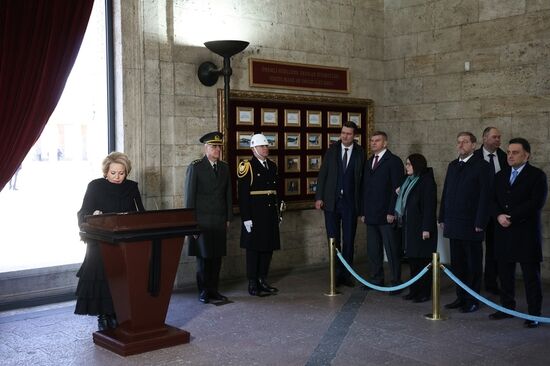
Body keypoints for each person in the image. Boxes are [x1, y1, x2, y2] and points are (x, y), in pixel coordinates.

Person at [75, 152, 145, 331]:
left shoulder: (131, 187)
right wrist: (94, 217)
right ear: (106, 171)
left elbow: (141, 214)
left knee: (120, 279)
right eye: (113, 173)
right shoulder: (95, 186)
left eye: (121, 173)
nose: (117, 177)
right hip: (100, 242)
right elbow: (83, 213)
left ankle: (117, 313)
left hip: (124, 243)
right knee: (102, 279)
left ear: (126, 172)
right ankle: (103, 315)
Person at [489, 138, 548, 328]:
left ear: (526, 155)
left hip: (525, 234)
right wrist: (498, 215)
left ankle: (534, 314)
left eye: (515, 152)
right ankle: (507, 307)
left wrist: (511, 217)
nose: (510, 155)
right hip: (503, 232)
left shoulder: (537, 175)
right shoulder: (500, 175)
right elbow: (492, 200)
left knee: (531, 277)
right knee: (505, 274)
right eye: (508, 152)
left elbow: (535, 203)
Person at [439, 132, 492, 313]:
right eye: (459, 141)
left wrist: (481, 221)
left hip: (472, 224)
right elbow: (446, 192)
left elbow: (486, 197)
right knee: (458, 264)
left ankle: (473, 300)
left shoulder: (482, 166)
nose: (461, 145)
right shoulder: (453, 165)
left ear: (474, 145)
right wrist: (442, 217)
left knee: (473, 265)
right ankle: (460, 297)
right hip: (453, 223)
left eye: (465, 142)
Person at [184, 131, 233, 304]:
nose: (217, 149)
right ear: (205, 148)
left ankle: (214, 290)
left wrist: (228, 217)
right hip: (202, 221)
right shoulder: (196, 167)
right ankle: (204, 291)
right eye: (214, 146)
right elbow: (189, 197)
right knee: (204, 259)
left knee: (217, 258)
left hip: (219, 219)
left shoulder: (225, 167)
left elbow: (228, 195)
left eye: (219, 146)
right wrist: (191, 223)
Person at [315, 121, 364, 287]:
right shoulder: (332, 151)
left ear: (354, 136)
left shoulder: (360, 152)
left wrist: (362, 206)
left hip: (351, 203)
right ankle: (335, 274)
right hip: (331, 203)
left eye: (349, 133)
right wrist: (319, 197)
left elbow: (362, 180)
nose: (345, 136)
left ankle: (346, 274)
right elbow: (323, 175)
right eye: (343, 132)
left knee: (349, 240)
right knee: (333, 240)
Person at [360, 131, 404, 293]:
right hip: (371, 214)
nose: (373, 143)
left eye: (377, 141)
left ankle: (395, 282)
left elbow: (397, 189)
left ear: (385, 143)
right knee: (373, 249)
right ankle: (376, 279)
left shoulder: (394, 161)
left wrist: (392, 211)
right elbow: (364, 189)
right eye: (371, 141)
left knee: (392, 250)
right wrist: (363, 211)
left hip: (387, 214)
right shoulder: (369, 161)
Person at [238, 133, 281, 296]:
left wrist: (278, 212)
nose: (265, 149)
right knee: (253, 249)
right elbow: (243, 195)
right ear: (253, 148)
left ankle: (263, 279)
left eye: (266, 146)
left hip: (269, 214)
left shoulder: (272, 166)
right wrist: (246, 218)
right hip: (255, 215)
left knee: (267, 248)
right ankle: (252, 282)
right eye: (262, 146)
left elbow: (276, 191)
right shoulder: (247, 166)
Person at [396, 154, 437, 303]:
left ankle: (424, 293)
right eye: (406, 164)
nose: (406, 167)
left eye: (409, 164)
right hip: (410, 228)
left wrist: (426, 228)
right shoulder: (408, 181)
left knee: (423, 263)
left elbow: (429, 207)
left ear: (417, 165)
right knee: (413, 262)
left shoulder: (426, 181)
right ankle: (414, 290)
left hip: (422, 229)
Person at [473, 126, 507, 295]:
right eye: (494, 137)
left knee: (494, 249)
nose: (498, 140)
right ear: (484, 138)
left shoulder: (504, 156)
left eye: (499, 137)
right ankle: (473, 284)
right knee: (475, 249)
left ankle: (492, 283)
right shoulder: (474, 157)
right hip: (477, 210)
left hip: (496, 210)